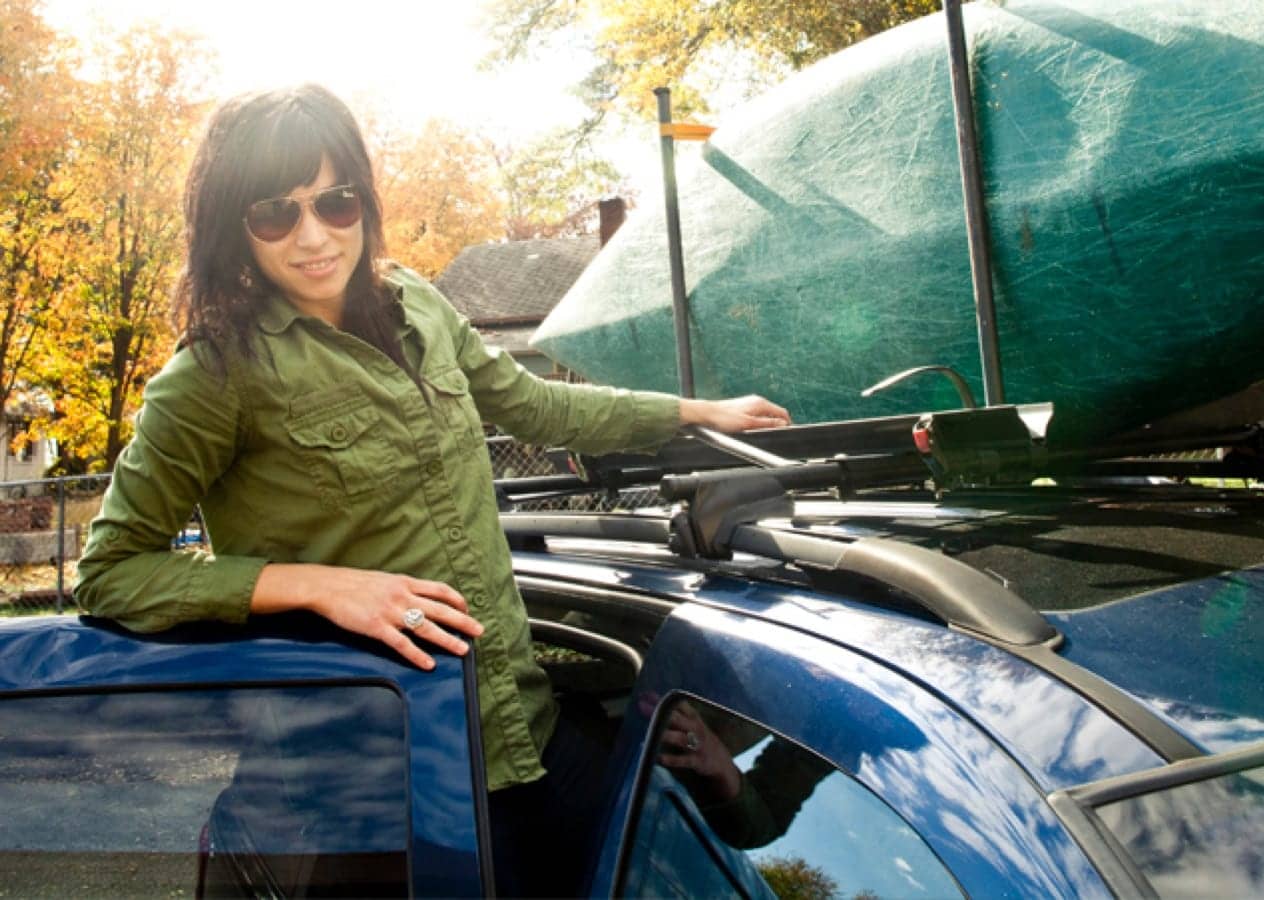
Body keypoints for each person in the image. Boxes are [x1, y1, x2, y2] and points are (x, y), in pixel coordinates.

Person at [73, 83, 790, 897]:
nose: (314, 236)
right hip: (386, 788)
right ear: (233, 225)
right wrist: (320, 586)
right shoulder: (215, 371)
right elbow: (111, 572)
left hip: (523, 733)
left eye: (336, 201)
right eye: (276, 213)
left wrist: (695, 411)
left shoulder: (414, 301)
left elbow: (537, 405)